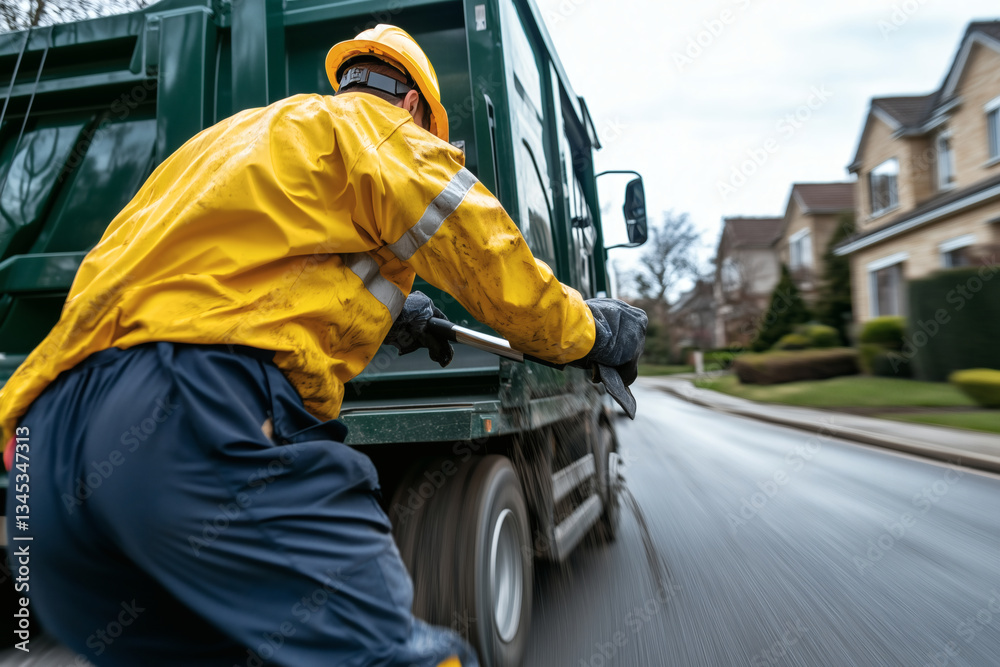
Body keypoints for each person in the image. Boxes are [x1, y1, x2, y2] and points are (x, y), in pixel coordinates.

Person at [0, 24, 646, 667]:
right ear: (415, 105)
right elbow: (491, 258)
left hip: (49, 446)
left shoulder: (231, 140)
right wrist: (590, 331)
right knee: (390, 657)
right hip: (194, 415)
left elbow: (243, 268)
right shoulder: (381, 129)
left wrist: (389, 309)